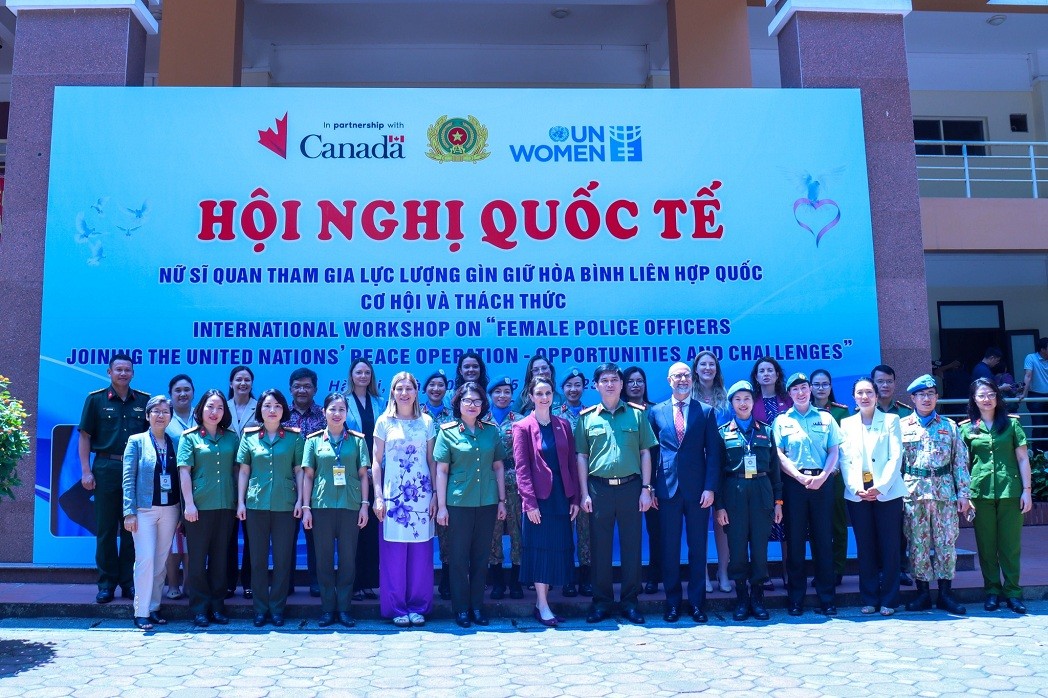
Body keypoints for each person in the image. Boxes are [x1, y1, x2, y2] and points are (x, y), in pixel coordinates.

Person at [576, 363, 657, 625]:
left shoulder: (637, 415)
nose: (610, 384)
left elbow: (646, 452)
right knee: (599, 548)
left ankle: (631, 602)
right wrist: (583, 493)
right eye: (604, 380)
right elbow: (581, 457)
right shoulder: (587, 417)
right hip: (598, 489)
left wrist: (646, 489)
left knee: (632, 547)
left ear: (621, 385)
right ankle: (601, 602)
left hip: (631, 488)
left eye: (614, 380)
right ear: (596, 385)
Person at [648, 362, 722, 624]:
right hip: (666, 491)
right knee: (669, 549)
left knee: (698, 549)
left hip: (698, 491)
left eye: (686, 376)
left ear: (691, 380)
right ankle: (672, 604)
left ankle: (697, 604)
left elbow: (713, 453)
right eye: (677, 376)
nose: (682, 379)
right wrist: (651, 488)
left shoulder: (706, 411)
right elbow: (652, 453)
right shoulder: (656, 412)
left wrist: (710, 488)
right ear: (669, 380)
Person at [434, 382, 508, 628]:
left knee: (480, 557)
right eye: (467, 401)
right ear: (458, 404)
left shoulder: (490, 431)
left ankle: (477, 606)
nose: (472, 405)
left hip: (486, 501)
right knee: (458, 559)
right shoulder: (447, 432)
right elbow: (442, 471)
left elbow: (498, 467)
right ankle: (461, 609)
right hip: (458, 503)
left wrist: (501, 501)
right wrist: (442, 506)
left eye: (477, 401)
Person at [78, 352, 149, 604]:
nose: (123, 373)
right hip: (106, 468)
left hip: (136, 471)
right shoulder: (96, 400)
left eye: (127, 370)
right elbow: (85, 436)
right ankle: (106, 584)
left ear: (133, 373)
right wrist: (86, 471)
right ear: (109, 372)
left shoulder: (144, 401)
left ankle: (129, 583)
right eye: (118, 369)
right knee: (106, 529)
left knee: (133, 528)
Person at [899, 374, 971, 615]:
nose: (926, 398)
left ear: (937, 397)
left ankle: (945, 593)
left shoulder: (949, 426)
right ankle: (922, 593)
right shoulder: (901, 427)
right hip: (913, 494)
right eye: (921, 395)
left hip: (944, 493)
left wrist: (964, 493)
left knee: (946, 543)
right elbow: (895, 464)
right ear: (912, 398)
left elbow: (960, 462)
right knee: (917, 544)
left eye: (931, 394)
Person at [960, 378, 1033, 614]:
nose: (987, 399)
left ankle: (1013, 592)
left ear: (997, 397)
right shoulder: (965, 428)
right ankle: (992, 591)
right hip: (979, 493)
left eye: (991, 394)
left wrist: (1027, 491)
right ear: (974, 399)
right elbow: (963, 464)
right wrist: (965, 494)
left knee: (1010, 546)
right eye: (981, 395)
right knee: (986, 546)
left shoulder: (1012, 425)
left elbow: (1023, 458)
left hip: (1010, 492)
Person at [773, 372, 843, 617]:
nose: (801, 392)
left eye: (804, 388)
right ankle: (796, 598)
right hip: (794, 484)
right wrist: (799, 476)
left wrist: (823, 476)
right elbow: (779, 455)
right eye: (795, 389)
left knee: (823, 541)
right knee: (794, 543)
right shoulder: (781, 421)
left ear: (810, 390)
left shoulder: (826, 418)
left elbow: (834, 450)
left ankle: (827, 598)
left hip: (822, 483)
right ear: (789, 394)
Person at [372, 372, 438, 628]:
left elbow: (432, 460)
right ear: (392, 392)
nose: (404, 393)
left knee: (421, 553)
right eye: (399, 388)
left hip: (420, 496)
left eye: (409, 388)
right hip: (394, 497)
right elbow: (376, 462)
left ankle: (419, 606)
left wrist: (435, 495)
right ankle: (396, 607)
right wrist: (378, 496)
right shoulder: (384, 422)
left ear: (415, 392)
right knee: (394, 554)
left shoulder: (427, 422)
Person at [514, 376, 580, 626]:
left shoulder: (563, 425)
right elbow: (522, 467)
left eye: (548, 393)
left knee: (557, 548)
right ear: (530, 396)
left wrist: (574, 496)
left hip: (561, 497)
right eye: (539, 393)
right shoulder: (522, 427)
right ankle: (541, 604)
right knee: (540, 550)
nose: (544, 398)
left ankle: (547, 602)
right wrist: (529, 503)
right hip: (538, 499)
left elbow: (571, 463)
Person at [838, 377, 906, 616]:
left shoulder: (891, 420)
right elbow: (844, 460)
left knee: (890, 548)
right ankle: (869, 599)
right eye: (860, 393)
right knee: (865, 548)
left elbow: (895, 457)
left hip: (887, 494)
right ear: (854, 398)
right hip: (858, 495)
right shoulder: (845, 424)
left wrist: (881, 486)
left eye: (869, 392)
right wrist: (856, 487)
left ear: (877, 396)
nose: (864, 397)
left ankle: (889, 599)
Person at [302, 392, 371, 628]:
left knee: (347, 560)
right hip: (321, 506)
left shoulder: (358, 441)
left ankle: (344, 608)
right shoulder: (312, 441)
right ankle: (327, 608)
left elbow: (364, 475)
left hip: (350, 506)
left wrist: (364, 505)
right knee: (323, 560)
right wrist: (306, 507)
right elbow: (308, 476)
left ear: (346, 413)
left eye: (342, 409)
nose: (337, 414)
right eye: (332, 409)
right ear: (324, 412)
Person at [236, 388, 304, 627]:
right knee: (257, 560)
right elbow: (244, 471)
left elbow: (299, 471)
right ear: (260, 410)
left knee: (283, 559)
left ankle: (277, 608)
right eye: (267, 405)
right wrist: (240, 502)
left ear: (283, 409)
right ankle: (260, 608)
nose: (272, 410)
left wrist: (300, 501)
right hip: (256, 504)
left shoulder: (295, 437)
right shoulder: (250, 436)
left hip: (286, 505)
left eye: (276, 405)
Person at [715, 381, 782, 621]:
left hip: (762, 491)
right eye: (737, 399)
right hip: (734, 492)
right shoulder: (722, 433)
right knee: (738, 549)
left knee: (760, 549)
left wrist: (778, 502)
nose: (743, 403)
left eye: (747, 399)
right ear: (731, 404)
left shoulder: (766, 430)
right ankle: (741, 598)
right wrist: (719, 505)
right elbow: (717, 473)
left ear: (753, 402)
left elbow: (775, 470)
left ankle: (758, 598)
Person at [177, 389, 240, 628]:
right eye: (210, 407)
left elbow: (237, 472)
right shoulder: (190, 437)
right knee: (197, 560)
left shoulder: (231, 438)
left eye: (220, 408)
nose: (214, 412)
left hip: (225, 506)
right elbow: (184, 471)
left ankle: (217, 606)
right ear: (201, 408)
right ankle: (199, 608)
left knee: (220, 559)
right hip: (199, 507)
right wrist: (189, 504)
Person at [122, 395, 180, 630]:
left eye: (165, 412)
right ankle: (141, 611)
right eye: (155, 411)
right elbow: (128, 478)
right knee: (145, 560)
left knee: (160, 562)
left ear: (170, 417)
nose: (160, 415)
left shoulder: (175, 441)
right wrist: (129, 511)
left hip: (171, 509)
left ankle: (154, 607)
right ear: (147, 416)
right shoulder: (136, 441)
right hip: (144, 510)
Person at [691, 350, 732, 594]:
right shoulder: (688, 398)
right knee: (699, 524)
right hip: (698, 468)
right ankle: (702, 572)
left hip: (724, 468)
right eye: (702, 364)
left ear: (717, 369)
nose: (707, 368)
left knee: (722, 522)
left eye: (711, 364)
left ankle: (723, 572)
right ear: (695, 369)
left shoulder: (727, 398)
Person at [283, 367, 326, 598]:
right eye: (297, 386)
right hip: (285, 485)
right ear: (290, 389)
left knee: (315, 537)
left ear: (315, 389)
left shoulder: (324, 415)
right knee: (286, 538)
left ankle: (316, 582)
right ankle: (285, 583)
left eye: (307, 386)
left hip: (317, 485)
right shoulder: (280, 414)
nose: (302, 390)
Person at [870, 363, 914, 588]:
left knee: (900, 529)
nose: (884, 385)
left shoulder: (905, 412)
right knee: (876, 529)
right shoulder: (864, 412)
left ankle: (901, 569)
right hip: (873, 482)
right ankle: (879, 570)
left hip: (901, 480)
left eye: (889, 381)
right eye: (880, 381)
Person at [345, 357, 384, 602]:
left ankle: (369, 583)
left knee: (371, 528)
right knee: (354, 529)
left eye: (366, 372)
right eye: (358, 372)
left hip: (378, 471)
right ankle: (354, 583)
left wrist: (376, 467)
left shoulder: (380, 403)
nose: (363, 376)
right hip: (352, 472)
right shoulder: (343, 402)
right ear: (351, 376)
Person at [622, 365, 661, 596]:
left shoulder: (655, 411)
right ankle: (631, 580)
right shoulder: (620, 411)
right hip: (626, 479)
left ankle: (654, 577)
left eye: (640, 381)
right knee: (630, 533)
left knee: (656, 531)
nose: (636, 385)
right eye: (631, 381)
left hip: (653, 481)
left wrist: (652, 485)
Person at [810, 368, 851, 587]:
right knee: (816, 527)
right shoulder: (802, 412)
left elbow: (846, 447)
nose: (821, 388)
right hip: (811, 479)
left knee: (837, 524)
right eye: (816, 384)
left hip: (835, 478)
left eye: (825, 384)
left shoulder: (840, 413)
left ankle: (837, 568)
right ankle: (820, 569)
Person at [486, 376, 525, 600]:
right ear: (491, 396)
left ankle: (517, 581)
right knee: (493, 531)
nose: (502, 396)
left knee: (517, 531)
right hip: (490, 481)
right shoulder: (482, 421)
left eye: (507, 391)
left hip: (516, 481)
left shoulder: (521, 420)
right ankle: (498, 581)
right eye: (498, 392)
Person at [419, 368, 455, 600]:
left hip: (446, 479)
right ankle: (419, 580)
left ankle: (447, 576)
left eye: (440, 385)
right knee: (420, 532)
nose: (436, 389)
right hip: (417, 481)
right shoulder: (415, 414)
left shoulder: (454, 416)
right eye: (431, 384)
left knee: (446, 530)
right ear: (424, 389)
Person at [557, 367, 590, 597]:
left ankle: (586, 577)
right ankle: (567, 578)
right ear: (562, 389)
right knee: (565, 530)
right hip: (564, 481)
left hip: (588, 481)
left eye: (577, 385)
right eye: (569, 385)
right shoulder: (555, 416)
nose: (573, 389)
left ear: (584, 387)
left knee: (587, 531)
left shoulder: (592, 413)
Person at [226, 365, 257, 601]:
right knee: (226, 534)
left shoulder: (261, 408)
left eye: (247, 380)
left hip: (253, 476)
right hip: (225, 477)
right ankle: (227, 582)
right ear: (231, 383)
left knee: (250, 535)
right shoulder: (219, 407)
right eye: (239, 379)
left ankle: (249, 582)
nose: (243, 384)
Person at [164, 374, 195, 601]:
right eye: (178, 390)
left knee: (193, 536)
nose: (183, 394)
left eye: (187, 390)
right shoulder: (165, 419)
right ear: (171, 395)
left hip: (198, 484)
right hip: (171, 484)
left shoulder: (201, 416)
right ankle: (172, 583)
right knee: (173, 537)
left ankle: (189, 583)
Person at [1020, 337, 1048, 451]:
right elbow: (1028, 375)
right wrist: (1023, 394)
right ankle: (1037, 455)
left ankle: (1046, 454)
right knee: (1038, 425)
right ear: (1042, 349)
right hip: (1035, 396)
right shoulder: (1031, 358)